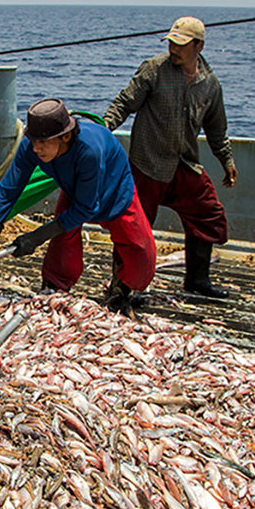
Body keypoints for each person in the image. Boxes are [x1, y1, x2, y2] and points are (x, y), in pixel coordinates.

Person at [0, 98, 157, 316]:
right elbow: (9, 189)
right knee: (63, 244)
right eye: (33, 140)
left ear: (65, 136)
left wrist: (36, 236)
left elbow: (86, 209)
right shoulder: (32, 146)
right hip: (76, 188)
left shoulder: (89, 150)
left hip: (114, 187)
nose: (36, 148)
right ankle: (54, 288)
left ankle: (120, 289)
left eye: (43, 142)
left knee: (139, 253)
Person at [103, 16, 238, 299]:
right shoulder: (154, 69)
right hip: (147, 163)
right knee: (133, 225)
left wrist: (226, 160)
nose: (173, 49)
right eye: (171, 43)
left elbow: (216, 129)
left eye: (181, 44)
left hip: (184, 164)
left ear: (199, 45)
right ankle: (122, 287)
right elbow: (124, 103)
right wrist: (102, 131)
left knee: (208, 214)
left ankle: (197, 280)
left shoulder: (210, 84)